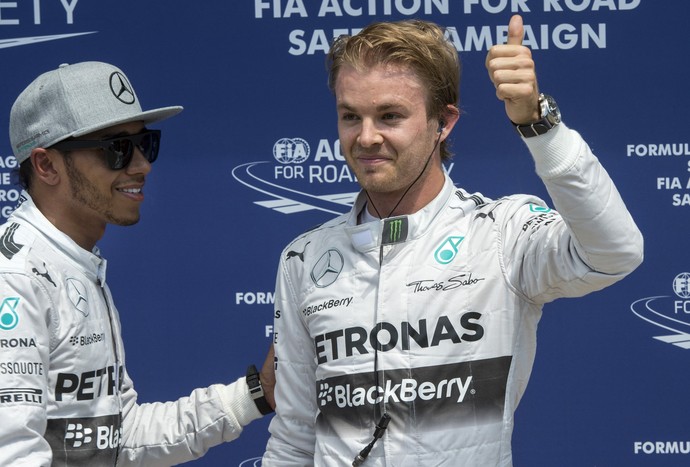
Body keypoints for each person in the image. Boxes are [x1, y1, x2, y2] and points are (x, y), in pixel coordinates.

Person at [262, 15, 643, 466]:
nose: (366, 137)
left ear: (443, 122)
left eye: (389, 116)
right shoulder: (304, 259)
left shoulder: (501, 232)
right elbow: (294, 439)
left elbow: (614, 252)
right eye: (351, 116)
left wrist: (539, 125)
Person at [0, 61, 275, 466]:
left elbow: (120, 438)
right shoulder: (17, 277)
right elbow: (12, 454)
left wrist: (256, 394)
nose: (142, 165)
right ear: (46, 165)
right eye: (116, 149)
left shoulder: (72, 263)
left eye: (145, 144)